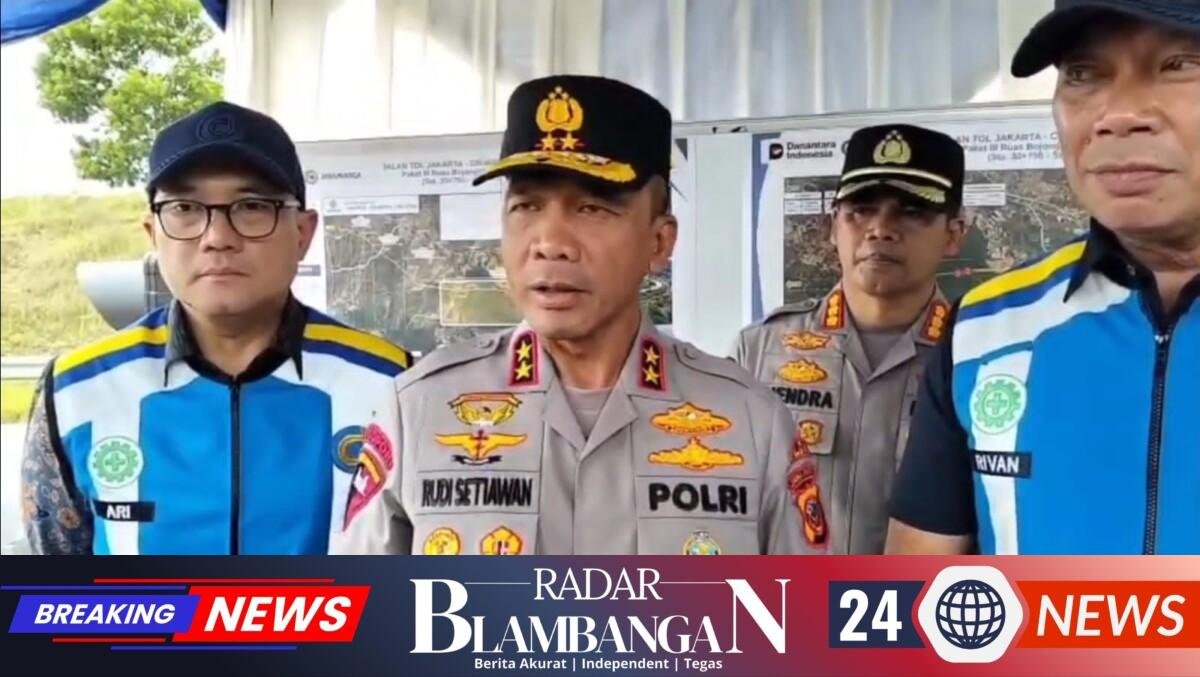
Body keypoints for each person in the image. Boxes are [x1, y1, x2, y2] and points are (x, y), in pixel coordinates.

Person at [333, 75, 822, 555]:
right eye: (526, 206)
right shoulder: (419, 410)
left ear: (659, 242)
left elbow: (800, 606)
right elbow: (366, 605)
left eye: (592, 209)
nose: (550, 243)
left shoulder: (751, 424)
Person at [20, 101, 412, 554]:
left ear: (303, 233)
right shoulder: (76, 390)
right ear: (153, 234)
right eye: (185, 207)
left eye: (252, 206)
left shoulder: (393, 385)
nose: (217, 237)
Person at [887, 0, 1199, 555]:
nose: (1118, 114)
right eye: (1082, 74)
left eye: (1178, 65)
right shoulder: (986, 328)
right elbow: (916, 588)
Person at [732, 125, 966, 554]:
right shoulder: (759, 352)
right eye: (861, 210)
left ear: (953, 234)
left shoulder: (978, 357)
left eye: (912, 211)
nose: (881, 229)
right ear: (831, 225)